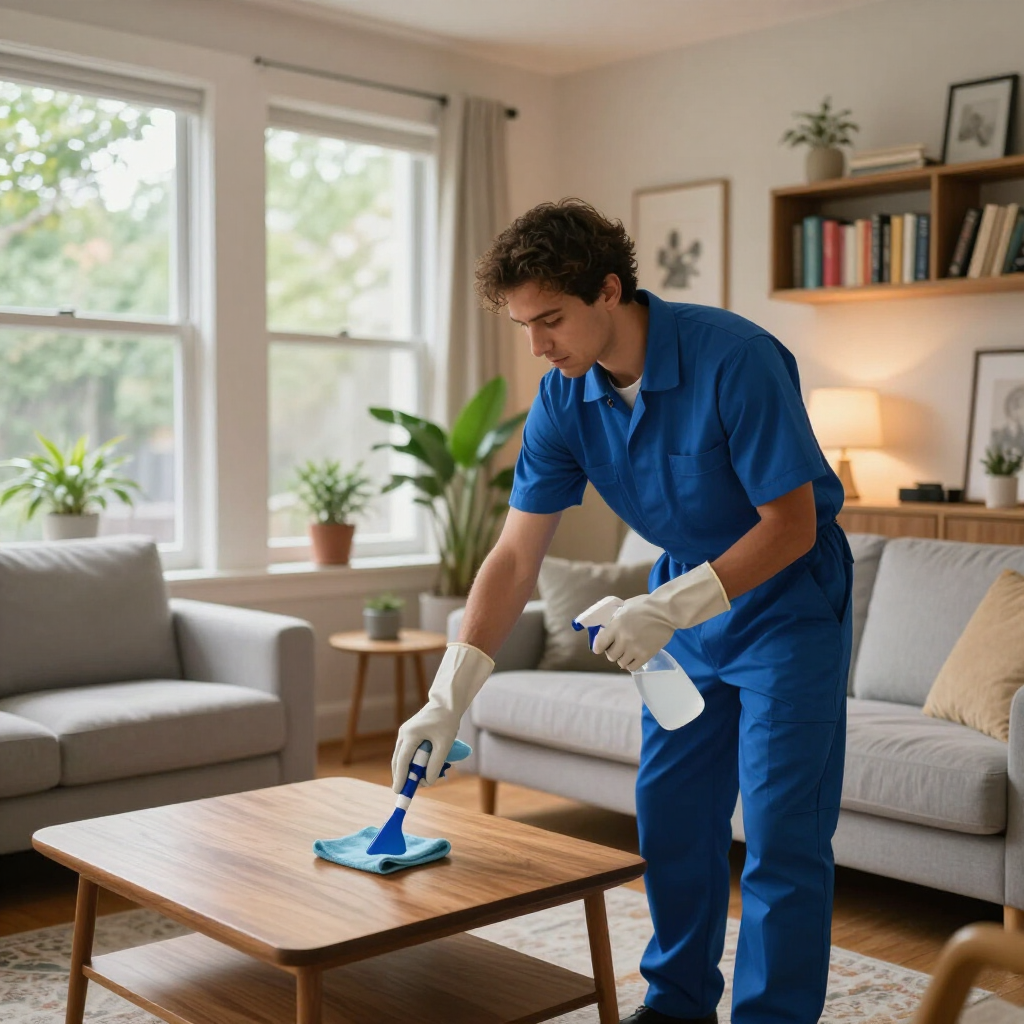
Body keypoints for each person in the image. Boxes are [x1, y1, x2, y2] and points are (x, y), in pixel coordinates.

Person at [391, 199, 853, 1024]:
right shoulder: (565, 398)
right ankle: (676, 1007)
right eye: (524, 325)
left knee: (783, 838)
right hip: (681, 612)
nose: (538, 345)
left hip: (787, 604)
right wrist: (448, 694)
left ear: (610, 291)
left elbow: (793, 525)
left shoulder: (736, 358)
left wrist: (667, 608)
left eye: (552, 319)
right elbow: (512, 556)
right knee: (673, 818)